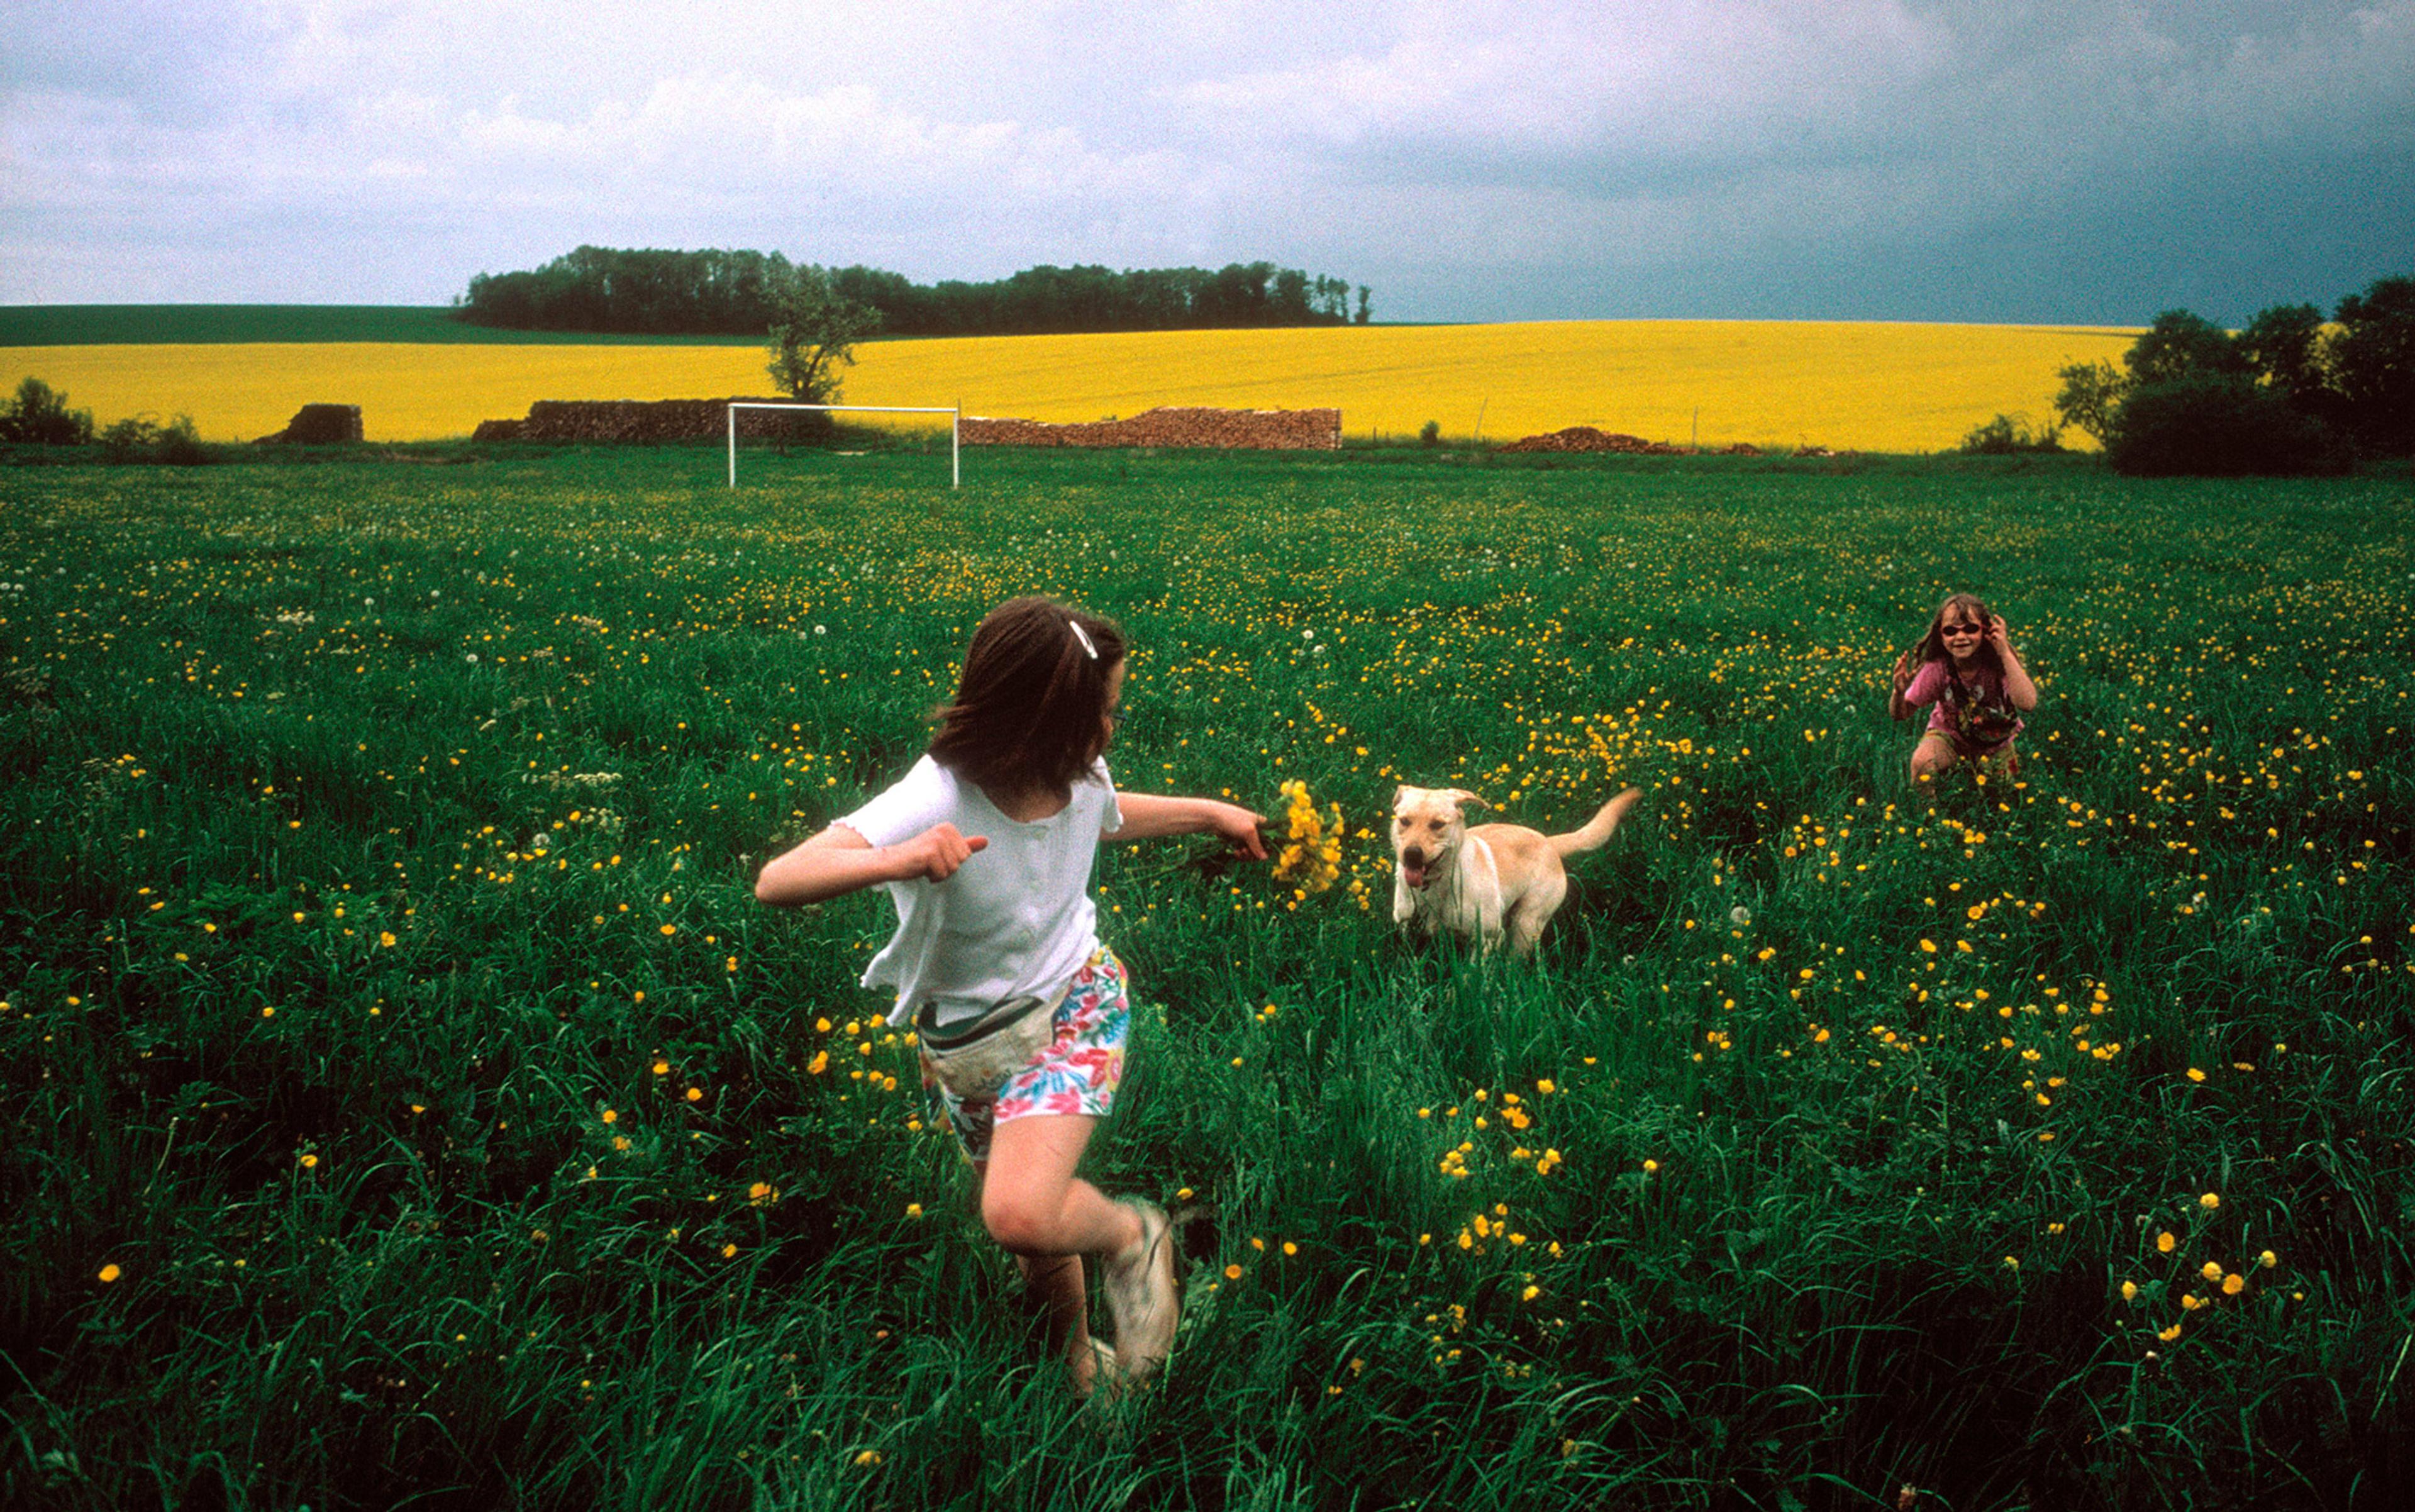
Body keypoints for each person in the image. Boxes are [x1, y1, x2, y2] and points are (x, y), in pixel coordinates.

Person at [755, 596, 1267, 1399]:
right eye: (1101, 710)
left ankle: (1137, 1233)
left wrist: (1211, 812)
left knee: (1021, 1211)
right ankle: (1077, 1362)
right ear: (1041, 717)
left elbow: (1111, 816)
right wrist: (898, 858)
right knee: (1034, 1227)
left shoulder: (1079, 771)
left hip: (1076, 1005)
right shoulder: (939, 792)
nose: (1111, 727)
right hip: (969, 1047)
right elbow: (779, 878)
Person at [1889, 592, 2038, 782]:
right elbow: (1900, 714)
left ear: (1985, 631)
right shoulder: (1939, 668)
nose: (1960, 637)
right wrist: (1899, 693)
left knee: (1999, 800)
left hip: (1995, 743)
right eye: (1950, 631)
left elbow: (2028, 703)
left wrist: (2005, 652)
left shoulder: (1997, 663)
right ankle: (1928, 812)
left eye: (1970, 629)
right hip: (1949, 738)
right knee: (1921, 763)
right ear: (1941, 636)